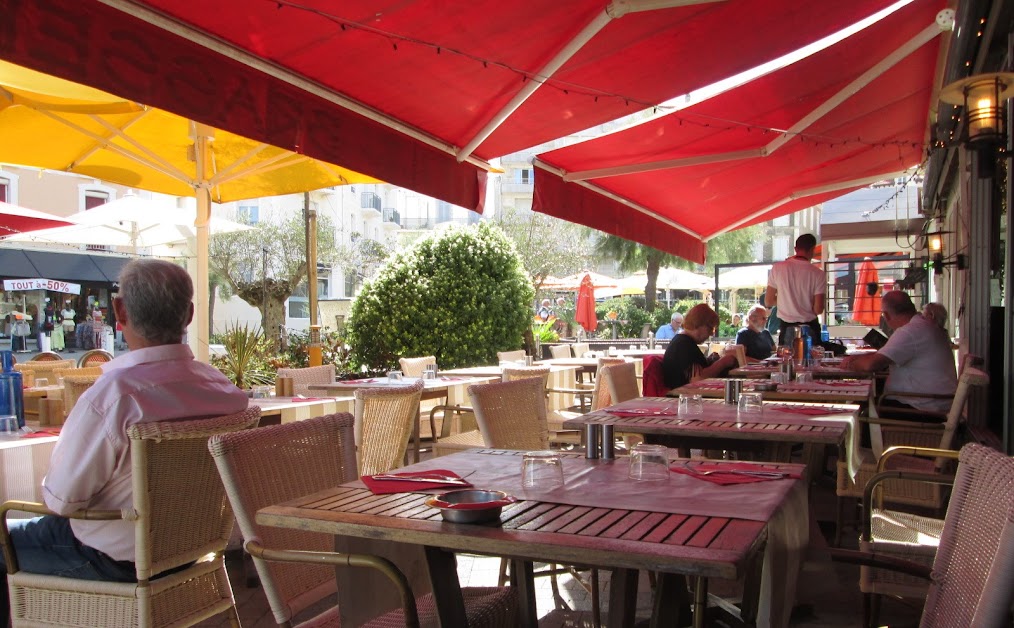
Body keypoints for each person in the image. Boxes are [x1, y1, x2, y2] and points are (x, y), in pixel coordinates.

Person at [0, 259, 247, 620]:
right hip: (194, 552)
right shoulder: (225, 392)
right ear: (190, 314)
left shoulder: (114, 398)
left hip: (113, 561)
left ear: (119, 310)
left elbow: (60, 501)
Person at [841, 290, 956, 414]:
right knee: (863, 403)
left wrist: (849, 364)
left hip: (923, 408)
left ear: (887, 315)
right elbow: (883, 355)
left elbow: (870, 365)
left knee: (858, 410)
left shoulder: (910, 331)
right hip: (934, 403)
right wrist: (857, 359)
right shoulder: (923, 326)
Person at [765, 233, 825, 345]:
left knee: (786, 360)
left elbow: (768, 301)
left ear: (795, 249)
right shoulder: (818, 274)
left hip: (787, 327)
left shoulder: (778, 268)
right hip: (810, 327)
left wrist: (786, 301)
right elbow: (818, 309)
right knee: (813, 361)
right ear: (813, 249)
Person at [661, 303, 739, 389]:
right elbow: (698, 379)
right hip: (686, 399)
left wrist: (710, 361)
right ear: (698, 324)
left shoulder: (683, 342)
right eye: (710, 328)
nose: (711, 333)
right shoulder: (683, 345)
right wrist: (723, 362)